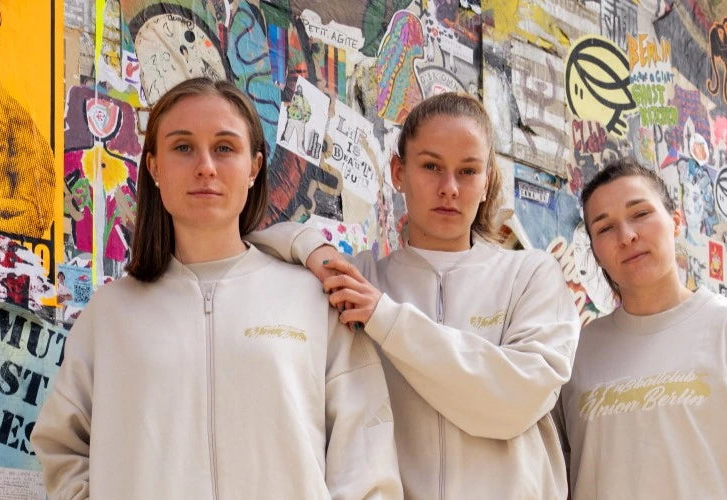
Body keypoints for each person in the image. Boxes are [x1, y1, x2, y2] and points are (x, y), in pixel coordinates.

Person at [32, 78, 401, 499]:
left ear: (254, 168)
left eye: (224, 148)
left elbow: (366, 454)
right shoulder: (111, 313)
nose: (205, 166)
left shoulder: (315, 301)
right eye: (183, 147)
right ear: (154, 167)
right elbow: (62, 445)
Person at [247, 92, 579, 498]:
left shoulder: (531, 276)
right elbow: (251, 247)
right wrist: (316, 250)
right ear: (398, 172)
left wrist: (386, 320)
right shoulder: (363, 280)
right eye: (431, 166)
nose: (449, 188)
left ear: (487, 180)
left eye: (468, 171)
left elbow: (516, 400)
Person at [560, 160, 727, 499]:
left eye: (640, 213)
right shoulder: (576, 355)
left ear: (676, 221)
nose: (627, 236)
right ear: (595, 252)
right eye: (605, 228)